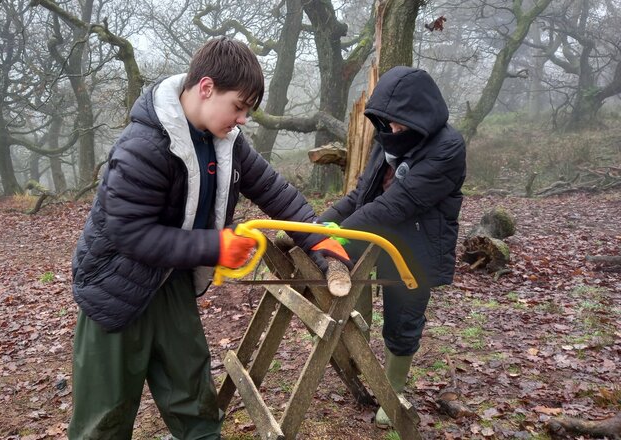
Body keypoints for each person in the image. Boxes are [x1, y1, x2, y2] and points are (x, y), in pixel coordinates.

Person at [67, 37, 349, 440]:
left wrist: (318, 239)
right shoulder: (144, 145)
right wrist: (214, 247)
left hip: (172, 283)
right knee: (104, 421)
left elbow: (274, 191)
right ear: (205, 88)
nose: (243, 119)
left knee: (194, 402)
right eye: (238, 106)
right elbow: (129, 233)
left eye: (248, 111)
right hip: (113, 288)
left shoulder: (226, 142)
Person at [317, 66, 466, 427]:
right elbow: (362, 195)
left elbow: (396, 204)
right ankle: (363, 358)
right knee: (348, 289)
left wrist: (341, 233)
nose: (392, 131)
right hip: (374, 230)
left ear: (420, 116)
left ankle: (394, 387)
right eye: (386, 123)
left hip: (416, 242)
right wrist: (321, 224)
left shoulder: (447, 148)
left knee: (403, 316)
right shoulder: (385, 140)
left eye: (399, 124)